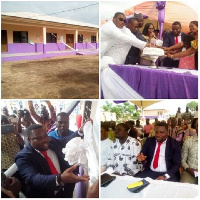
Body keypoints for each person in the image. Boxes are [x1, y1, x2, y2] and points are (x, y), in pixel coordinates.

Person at [15, 124, 89, 198]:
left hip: (64, 190)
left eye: (45, 135)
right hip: (44, 195)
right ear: (29, 139)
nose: (44, 140)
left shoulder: (51, 140)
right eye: (38, 138)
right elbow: (33, 178)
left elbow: (65, 140)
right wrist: (59, 179)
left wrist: (80, 131)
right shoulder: (22, 157)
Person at [181, 118, 198, 184]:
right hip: (190, 171)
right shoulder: (188, 141)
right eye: (198, 125)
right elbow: (183, 160)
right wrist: (188, 169)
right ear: (195, 128)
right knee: (185, 187)